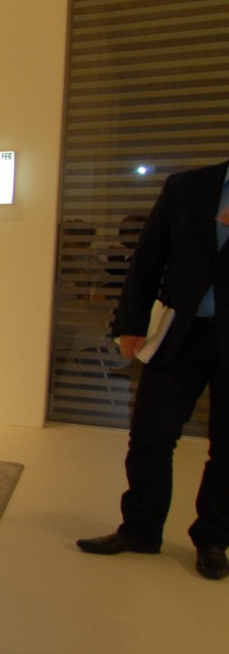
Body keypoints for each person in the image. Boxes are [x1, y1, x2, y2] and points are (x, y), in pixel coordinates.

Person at [78, 158, 229, 580]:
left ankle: (213, 539)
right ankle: (140, 530)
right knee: (149, 435)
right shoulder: (187, 187)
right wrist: (130, 323)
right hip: (179, 334)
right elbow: (149, 257)